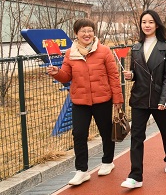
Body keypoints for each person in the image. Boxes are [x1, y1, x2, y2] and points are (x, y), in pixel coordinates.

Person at [46, 18, 124, 186]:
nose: (87, 34)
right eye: (83, 31)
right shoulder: (70, 53)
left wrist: (118, 98)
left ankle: (108, 161)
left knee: (105, 132)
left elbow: (113, 76)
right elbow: (66, 76)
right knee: (79, 134)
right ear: (76, 34)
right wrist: (56, 73)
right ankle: (82, 170)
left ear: (94, 32)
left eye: (89, 30)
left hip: (102, 98)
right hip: (80, 100)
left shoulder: (104, 51)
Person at [121, 10, 166, 189]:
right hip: (139, 98)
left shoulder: (165, 48)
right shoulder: (136, 48)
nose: (147, 25)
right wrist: (131, 76)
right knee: (136, 136)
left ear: (157, 25)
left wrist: (164, 99)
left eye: (151, 22)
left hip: (159, 99)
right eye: (144, 22)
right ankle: (135, 175)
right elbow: (137, 74)